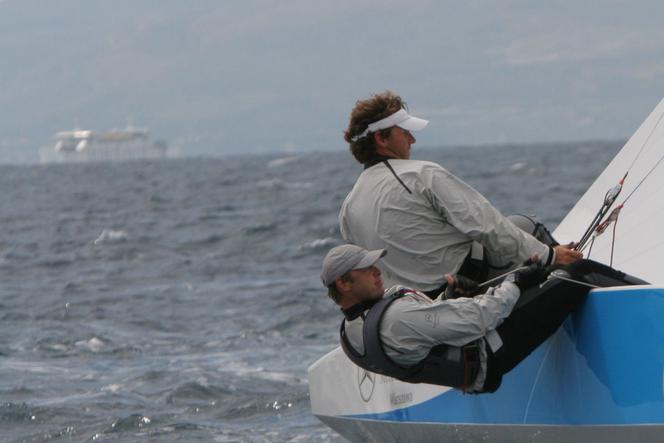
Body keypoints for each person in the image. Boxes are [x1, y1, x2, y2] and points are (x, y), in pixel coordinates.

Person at [339, 90, 582, 296]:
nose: (412, 139)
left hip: (412, 307)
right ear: (382, 138)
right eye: (405, 132)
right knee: (527, 225)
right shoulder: (422, 174)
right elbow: (488, 226)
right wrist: (550, 256)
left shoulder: (348, 208)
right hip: (467, 286)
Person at [320, 244, 597, 393]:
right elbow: (481, 318)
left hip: (473, 372)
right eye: (366, 269)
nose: (377, 271)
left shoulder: (349, 333)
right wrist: (515, 279)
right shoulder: (395, 317)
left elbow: (418, 335)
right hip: (493, 353)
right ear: (344, 283)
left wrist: (447, 298)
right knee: (577, 273)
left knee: (522, 288)